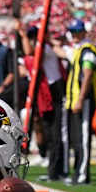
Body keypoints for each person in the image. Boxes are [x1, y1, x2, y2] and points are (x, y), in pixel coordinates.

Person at [20, 24, 67, 182]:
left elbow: (29, 52)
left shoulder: (45, 48)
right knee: (49, 133)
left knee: (56, 134)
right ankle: (54, 169)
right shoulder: (45, 48)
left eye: (34, 37)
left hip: (54, 92)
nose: (33, 40)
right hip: (46, 94)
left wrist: (24, 37)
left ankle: (56, 171)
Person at [63, 20, 96, 186]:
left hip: (83, 100)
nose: (73, 35)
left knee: (84, 138)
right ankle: (78, 171)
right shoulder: (79, 50)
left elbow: (86, 76)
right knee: (77, 138)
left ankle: (82, 174)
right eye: (72, 31)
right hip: (76, 100)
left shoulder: (87, 52)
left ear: (83, 33)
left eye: (76, 32)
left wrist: (80, 99)